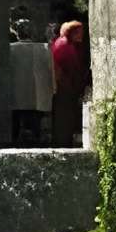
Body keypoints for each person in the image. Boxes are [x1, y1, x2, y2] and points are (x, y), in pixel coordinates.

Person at [5, 22, 54, 146]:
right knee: (35, 122)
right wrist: (52, 88)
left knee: (15, 121)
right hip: (36, 94)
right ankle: (36, 142)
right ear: (32, 33)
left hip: (16, 93)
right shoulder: (43, 48)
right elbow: (50, 70)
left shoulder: (10, 49)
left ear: (18, 34)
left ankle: (13, 143)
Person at [49, 13, 90, 147]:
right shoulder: (64, 45)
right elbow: (69, 68)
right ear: (71, 32)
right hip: (64, 87)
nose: (81, 35)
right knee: (64, 116)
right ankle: (62, 142)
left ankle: (64, 140)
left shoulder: (68, 44)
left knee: (67, 116)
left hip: (68, 87)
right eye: (78, 32)